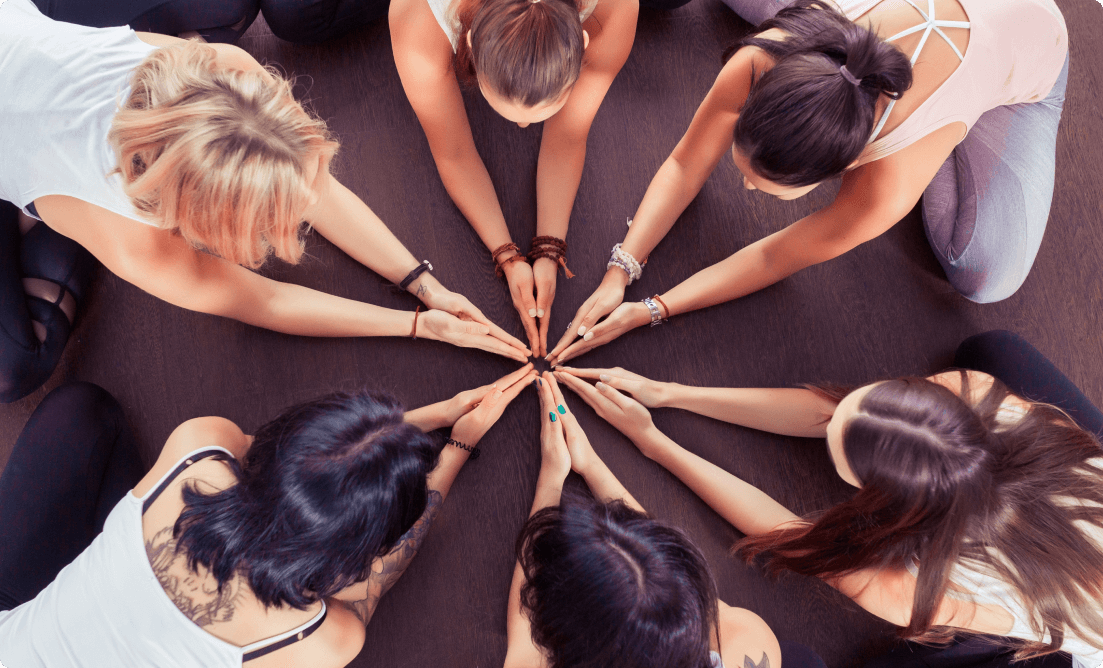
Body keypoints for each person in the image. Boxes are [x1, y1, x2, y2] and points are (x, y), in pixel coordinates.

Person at [0, 0, 529, 403]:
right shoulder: (137, 241)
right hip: (32, 145)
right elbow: (263, 300)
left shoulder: (221, 64)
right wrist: (413, 324)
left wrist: (424, 285)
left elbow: (316, 192)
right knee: (21, 363)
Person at [547, 0, 1068, 365]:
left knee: (985, 275)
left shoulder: (885, 183)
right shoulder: (766, 55)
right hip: (879, 26)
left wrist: (652, 310)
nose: (745, 188)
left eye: (762, 184)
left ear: (842, 170)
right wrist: (621, 269)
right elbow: (685, 164)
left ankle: (957, 131)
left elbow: (776, 257)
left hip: (1025, 45)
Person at [554, 330, 1103, 667]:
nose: (829, 425)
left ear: (897, 507)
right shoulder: (973, 391)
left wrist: (655, 443)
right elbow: (832, 412)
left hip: (1079, 629)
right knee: (990, 347)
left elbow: (791, 538)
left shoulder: (921, 593)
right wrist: (673, 394)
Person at [0, 364, 537, 667]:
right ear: (351, 553)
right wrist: (456, 451)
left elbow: (304, 471)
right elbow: (372, 582)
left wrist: (420, 426)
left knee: (82, 411)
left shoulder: (201, 449)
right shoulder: (323, 639)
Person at [390, 0, 685, 359]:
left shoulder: (615, 8)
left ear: (584, 43)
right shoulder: (417, 17)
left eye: (543, 111)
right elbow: (454, 153)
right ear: (468, 43)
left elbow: (567, 137)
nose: (523, 127)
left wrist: (549, 249)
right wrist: (506, 255)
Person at [502, 371, 828, 668]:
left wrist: (550, 477)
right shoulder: (749, 642)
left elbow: (522, 642)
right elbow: (663, 580)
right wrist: (591, 465)